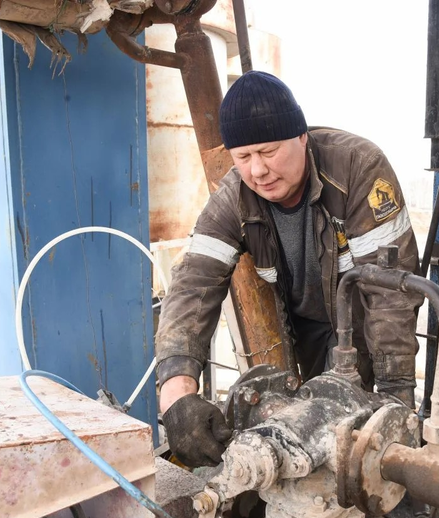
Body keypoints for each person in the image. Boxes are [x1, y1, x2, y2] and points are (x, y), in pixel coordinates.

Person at [155, 71, 422, 469]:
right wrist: (177, 394)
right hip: (307, 331)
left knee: (363, 444)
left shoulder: (357, 167)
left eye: (268, 151)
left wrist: (396, 394)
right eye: (243, 157)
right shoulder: (235, 196)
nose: (257, 171)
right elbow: (194, 283)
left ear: (301, 136)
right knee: (316, 443)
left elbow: (390, 295)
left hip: (365, 328)